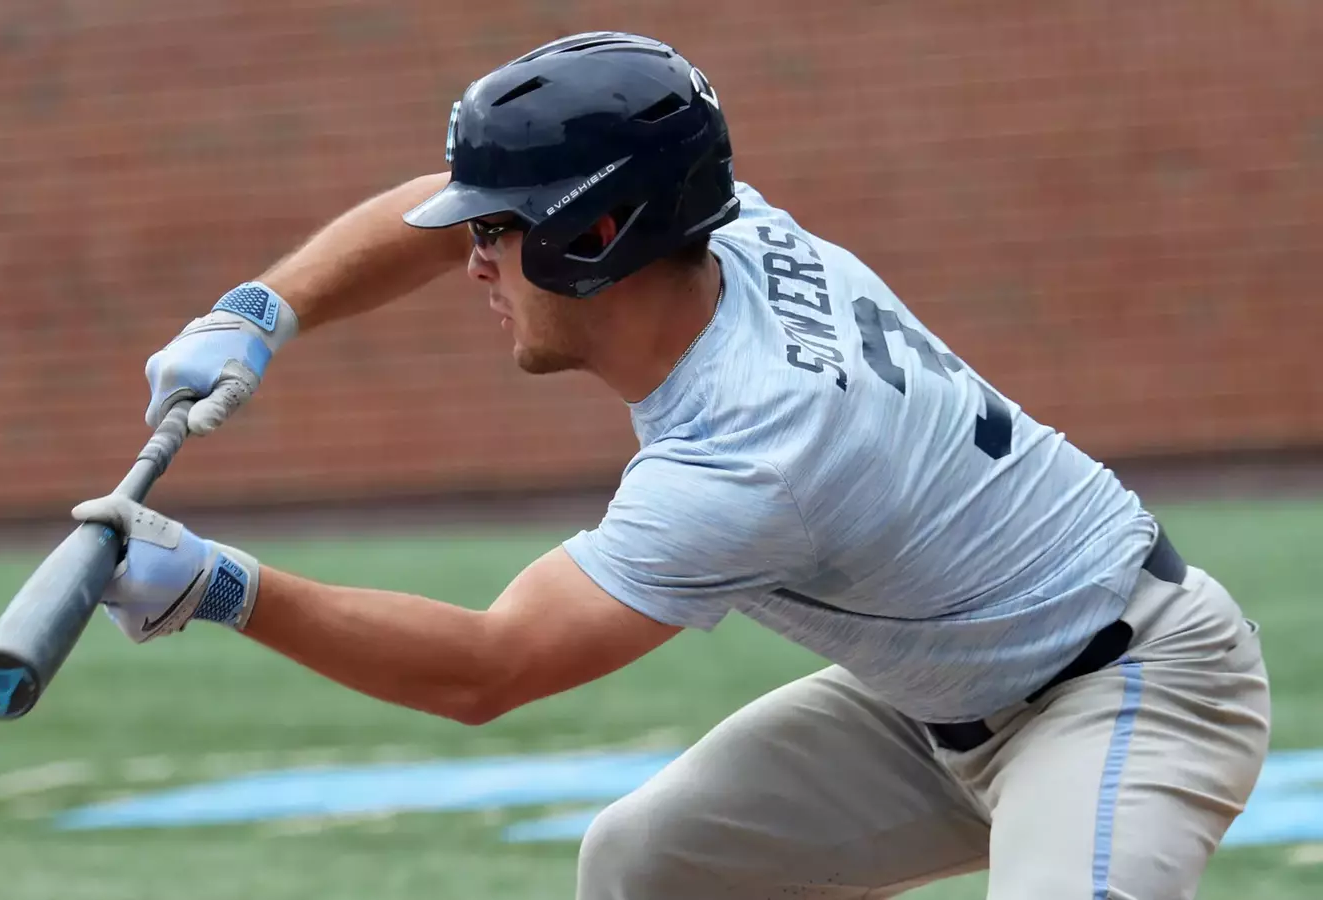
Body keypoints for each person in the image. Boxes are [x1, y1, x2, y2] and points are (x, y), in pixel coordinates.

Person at [71, 31, 1270, 899]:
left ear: (598, 239)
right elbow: (426, 209)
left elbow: (487, 670)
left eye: (499, 235)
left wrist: (225, 589)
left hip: (1126, 688)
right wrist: (260, 310)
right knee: (649, 865)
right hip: (927, 701)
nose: (472, 261)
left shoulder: (756, 450)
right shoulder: (721, 215)